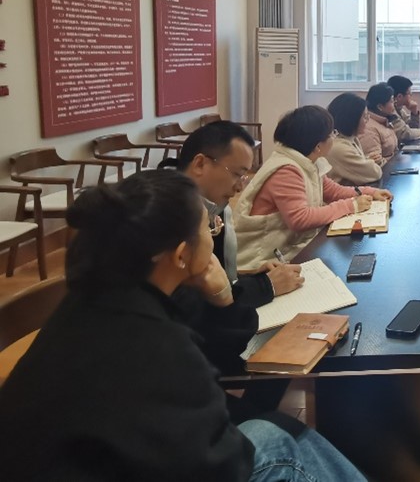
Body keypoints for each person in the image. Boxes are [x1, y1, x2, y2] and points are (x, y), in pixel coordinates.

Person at [0, 170, 366, 481]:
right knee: (278, 442)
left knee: (283, 431)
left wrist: (222, 297)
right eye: (208, 226)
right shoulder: (157, 345)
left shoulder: (94, 299)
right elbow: (223, 463)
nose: (214, 231)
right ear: (180, 254)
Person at [235, 105, 392, 270]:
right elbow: (300, 219)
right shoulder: (286, 170)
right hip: (261, 260)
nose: (334, 137)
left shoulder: (309, 159)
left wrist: (369, 192)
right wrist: (351, 205)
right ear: (318, 146)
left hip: (288, 249)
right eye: (332, 134)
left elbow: (332, 191)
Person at [167, 120, 304, 307]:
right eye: (237, 174)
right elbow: (190, 306)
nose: (240, 187)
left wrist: (252, 275)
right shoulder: (166, 213)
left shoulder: (216, 206)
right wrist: (266, 286)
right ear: (200, 164)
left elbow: (215, 278)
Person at [327, 92, 384, 185]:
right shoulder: (339, 148)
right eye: (365, 117)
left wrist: (368, 161)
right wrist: (370, 162)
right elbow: (374, 173)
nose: (367, 120)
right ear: (352, 119)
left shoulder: (352, 138)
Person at [358, 82, 401, 162]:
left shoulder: (384, 121)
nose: (394, 104)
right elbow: (376, 162)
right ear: (380, 107)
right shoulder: (369, 129)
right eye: (391, 101)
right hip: (386, 169)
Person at [387, 74, 420, 143]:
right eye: (409, 94)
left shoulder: (399, 109)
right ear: (399, 96)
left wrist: (414, 112)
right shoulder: (390, 111)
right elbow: (406, 134)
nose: (410, 96)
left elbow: (413, 128)